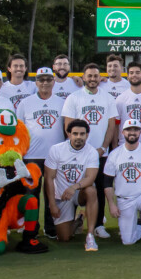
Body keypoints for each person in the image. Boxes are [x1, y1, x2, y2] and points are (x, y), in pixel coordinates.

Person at [62, 63, 119, 238]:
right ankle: (70, 220)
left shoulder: (108, 98)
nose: (92, 79)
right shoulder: (74, 97)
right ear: (84, 77)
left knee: (100, 187)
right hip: (77, 153)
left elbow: (111, 126)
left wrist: (103, 147)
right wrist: (77, 148)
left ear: (99, 78)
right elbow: (68, 126)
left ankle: (98, 224)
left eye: (95, 76)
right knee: (72, 186)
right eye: (89, 76)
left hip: (100, 153)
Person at [104, 118, 141, 252]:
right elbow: (107, 182)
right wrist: (111, 204)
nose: (132, 132)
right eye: (129, 130)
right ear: (123, 132)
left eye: (135, 130)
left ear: (140, 132)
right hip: (124, 199)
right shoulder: (114, 154)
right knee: (128, 241)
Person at [19, 67, 65, 238]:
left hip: (54, 155)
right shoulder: (26, 102)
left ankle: (51, 227)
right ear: (36, 82)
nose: (45, 83)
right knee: (31, 194)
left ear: (53, 82)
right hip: (32, 155)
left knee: (52, 193)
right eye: (41, 80)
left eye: (48, 79)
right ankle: (31, 228)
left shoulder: (61, 102)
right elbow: (20, 130)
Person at [45, 120, 101, 251]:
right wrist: (52, 204)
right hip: (62, 195)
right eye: (75, 133)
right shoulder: (56, 150)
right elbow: (49, 178)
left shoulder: (92, 152)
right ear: (68, 134)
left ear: (87, 135)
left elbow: (90, 177)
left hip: (79, 192)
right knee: (64, 238)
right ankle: (79, 219)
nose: (79, 137)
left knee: (91, 191)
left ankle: (90, 236)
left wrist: (74, 187)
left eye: (82, 134)